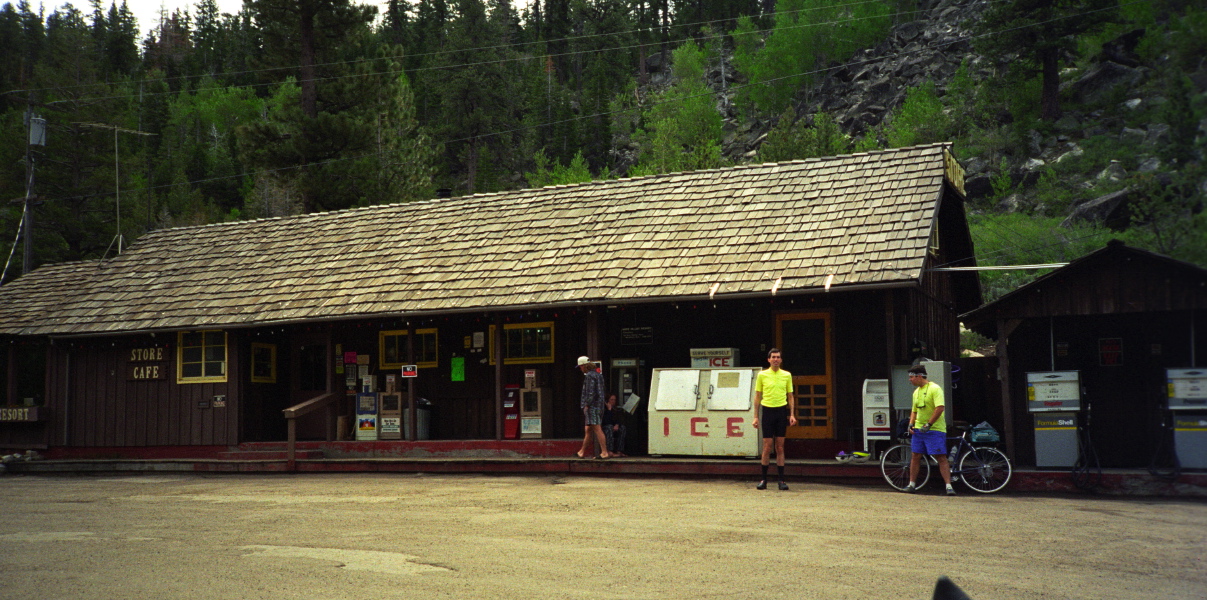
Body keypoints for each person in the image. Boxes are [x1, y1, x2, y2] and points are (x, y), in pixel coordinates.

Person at [903, 364, 955, 495]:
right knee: (915, 455)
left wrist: (929, 424)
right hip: (919, 429)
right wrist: (911, 424)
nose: (910, 380)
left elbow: (940, 408)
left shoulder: (935, 388)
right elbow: (914, 410)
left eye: (911, 377)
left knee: (940, 456)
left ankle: (948, 486)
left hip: (935, 429)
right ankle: (912, 484)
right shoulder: (916, 392)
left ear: (919, 376)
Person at [751, 348, 797, 490]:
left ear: (781, 360)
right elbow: (758, 396)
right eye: (773, 357)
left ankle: (781, 480)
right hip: (768, 411)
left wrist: (792, 414)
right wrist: (755, 417)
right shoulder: (762, 375)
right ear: (769, 359)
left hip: (781, 412)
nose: (776, 359)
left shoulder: (787, 375)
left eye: (778, 357)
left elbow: (790, 395)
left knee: (780, 446)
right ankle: (763, 480)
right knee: (767, 446)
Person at [575, 356, 611, 459]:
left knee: (597, 428)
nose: (580, 369)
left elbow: (590, 393)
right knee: (588, 429)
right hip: (599, 405)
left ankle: (604, 452)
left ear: (583, 366)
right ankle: (581, 452)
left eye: (580, 367)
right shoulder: (599, 375)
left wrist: (586, 404)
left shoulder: (589, 376)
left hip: (592, 407)